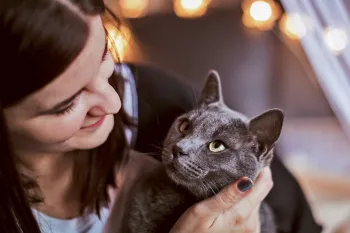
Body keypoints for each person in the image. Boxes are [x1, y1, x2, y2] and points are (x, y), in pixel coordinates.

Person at [0, 1, 322, 233]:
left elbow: (302, 221)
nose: (113, 102)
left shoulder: (160, 100)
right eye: (67, 104)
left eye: (104, 58)